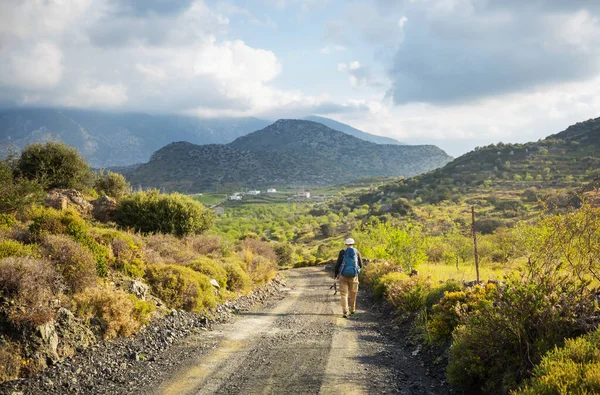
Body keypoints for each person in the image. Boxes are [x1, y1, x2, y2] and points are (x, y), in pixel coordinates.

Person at [334, 238, 363, 318]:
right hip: (354, 276)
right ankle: (353, 310)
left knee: (344, 294)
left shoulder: (342, 252)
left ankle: (345, 312)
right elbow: (361, 265)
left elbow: (338, 264)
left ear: (346, 244)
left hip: (343, 276)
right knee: (353, 293)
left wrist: (336, 275)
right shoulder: (356, 252)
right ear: (353, 244)